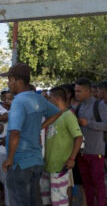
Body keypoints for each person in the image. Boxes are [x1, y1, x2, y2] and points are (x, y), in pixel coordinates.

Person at [0, 62, 61, 205]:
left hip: (20, 162)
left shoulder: (18, 102)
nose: (8, 83)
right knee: (34, 201)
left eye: (10, 80)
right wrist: (40, 127)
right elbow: (57, 112)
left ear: (19, 80)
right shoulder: (37, 98)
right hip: (36, 161)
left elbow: (15, 132)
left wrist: (9, 159)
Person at [40, 87, 83, 206]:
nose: (48, 100)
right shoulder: (53, 115)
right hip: (48, 165)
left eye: (50, 97)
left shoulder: (68, 116)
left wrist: (72, 159)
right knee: (47, 199)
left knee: (59, 199)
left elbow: (78, 137)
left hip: (60, 165)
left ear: (57, 99)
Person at [75, 77, 107, 206]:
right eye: (75, 91)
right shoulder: (79, 106)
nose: (76, 94)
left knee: (99, 184)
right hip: (82, 152)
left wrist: (89, 123)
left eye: (79, 91)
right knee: (87, 185)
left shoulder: (99, 105)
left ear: (87, 91)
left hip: (96, 151)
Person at [0, 91, 13, 206]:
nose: (9, 101)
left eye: (11, 99)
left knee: (9, 181)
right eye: (7, 99)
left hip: (12, 151)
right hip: (3, 152)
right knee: (6, 180)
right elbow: (4, 118)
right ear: (2, 99)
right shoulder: (2, 110)